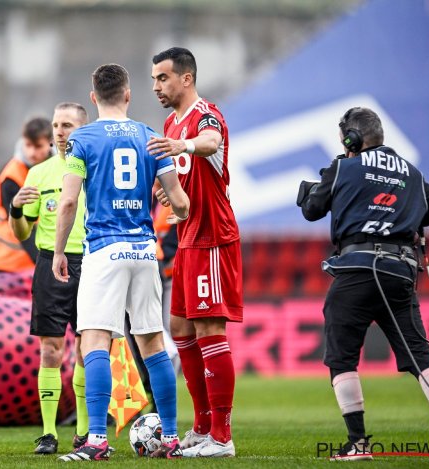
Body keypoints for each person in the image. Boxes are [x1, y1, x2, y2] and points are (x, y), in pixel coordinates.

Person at [297, 107, 429, 461]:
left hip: (357, 271)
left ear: (351, 139)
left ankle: (358, 442)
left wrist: (319, 189)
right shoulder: (412, 171)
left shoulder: (343, 166)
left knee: (341, 358)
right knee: (420, 355)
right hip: (400, 274)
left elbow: (312, 209)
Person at [52, 63, 190, 461]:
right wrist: (170, 204)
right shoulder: (151, 137)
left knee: (94, 339)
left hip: (105, 249)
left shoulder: (83, 139)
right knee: (152, 343)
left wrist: (60, 252)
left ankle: (96, 440)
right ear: (128, 95)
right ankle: (170, 439)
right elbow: (180, 204)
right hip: (145, 251)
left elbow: (67, 201)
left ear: (94, 97)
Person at [148, 47, 243, 458]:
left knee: (209, 331)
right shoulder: (171, 122)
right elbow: (183, 174)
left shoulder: (205, 115)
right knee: (181, 329)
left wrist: (182, 146)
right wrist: (165, 189)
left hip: (213, 239)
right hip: (186, 238)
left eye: (163, 78)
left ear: (186, 78)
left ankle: (222, 436)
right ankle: (203, 426)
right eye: (153, 79)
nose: (156, 86)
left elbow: (209, 142)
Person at [9, 102, 90, 454]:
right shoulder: (38, 173)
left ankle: (86, 431)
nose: (59, 131)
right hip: (49, 265)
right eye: (57, 125)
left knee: (90, 349)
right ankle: (48, 433)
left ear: (82, 129)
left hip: (91, 262)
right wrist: (15, 209)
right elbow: (20, 231)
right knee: (50, 350)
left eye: (67, 125)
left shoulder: (95, 168)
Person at [0, 117, 53, 273]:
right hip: (6, 265)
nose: (31, 152)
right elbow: (22, 226)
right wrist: (44, 265)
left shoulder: (58, 168)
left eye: (38, 146)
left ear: (51, 143)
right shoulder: (11, 178)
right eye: (28, 145)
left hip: (38, 262)